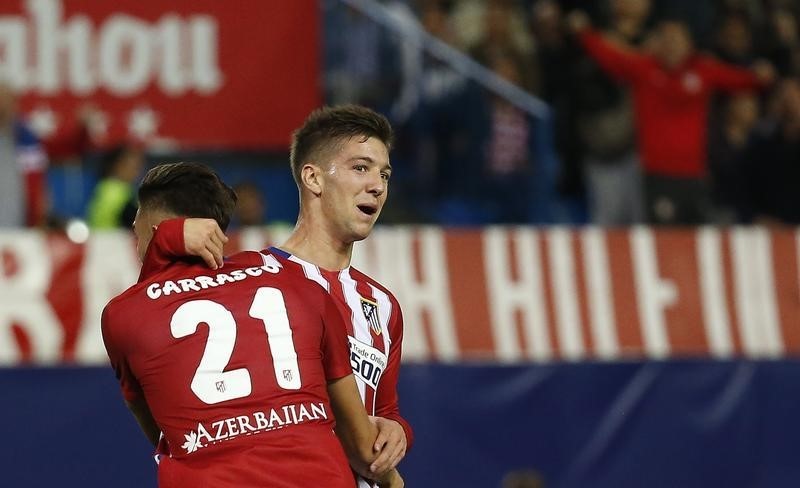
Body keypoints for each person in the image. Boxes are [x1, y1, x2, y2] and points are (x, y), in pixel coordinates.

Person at [140, 105, 413, 488]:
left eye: (384, 173)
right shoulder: (247, 282)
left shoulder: (381, 306)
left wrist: (398, 430)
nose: (378, 185)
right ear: (313, 178)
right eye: (360, 168)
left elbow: (383, 410)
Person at [569, 11, 774, 225]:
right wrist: (584, 33)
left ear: (689, 43)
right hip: (656, 175)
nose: (671, 45)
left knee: (693, 240)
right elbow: (610, 57)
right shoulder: (644, 69)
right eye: (665, 39)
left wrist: (761, 77)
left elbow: (741, 80)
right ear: (657, 43)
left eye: (677, 39)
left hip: (694, 176)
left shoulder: (703, 70)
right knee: (662, 241)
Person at [0, 82, 48, 227]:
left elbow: (36, 182)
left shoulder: (27, 141)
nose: (2, 106)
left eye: (6, 100)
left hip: (18, 230)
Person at [86, 144, 145, 229]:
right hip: (111, 237)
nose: (138, 172)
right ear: (118, 165)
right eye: (134, 166)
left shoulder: (104, 186)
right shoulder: (117, 191)